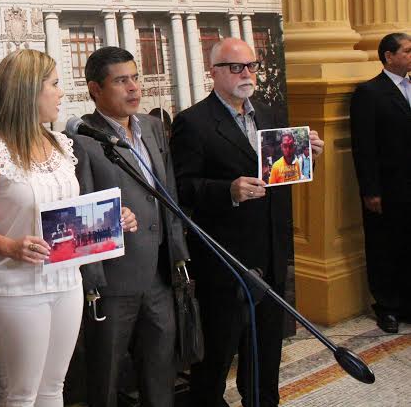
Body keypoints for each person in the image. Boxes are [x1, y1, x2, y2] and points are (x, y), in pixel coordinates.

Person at [0, 49, 134, 407]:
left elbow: (71, 212)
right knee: (21, 393)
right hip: (17, 288)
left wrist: (114, 217)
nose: (61, 93)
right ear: (27, 92)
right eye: (54, 84)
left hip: (67, 282)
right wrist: (10, 246)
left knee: (54, 388)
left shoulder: (61, 145)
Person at [170, 38, 324, 407]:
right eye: (236, 67)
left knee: (266, 349)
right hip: (224, 258)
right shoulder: (193, 122)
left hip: (270, 251)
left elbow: (282, 174)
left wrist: (309, 158)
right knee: (219, 351)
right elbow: (180, 187)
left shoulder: (270, 113)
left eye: (252, 66)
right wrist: (229, 190)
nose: (247, 74)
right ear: (214, 72)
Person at [72, 46, 188, 407]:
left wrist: (179, 257)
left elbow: (167, 194)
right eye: (121, 81)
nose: (134, 88)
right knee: (104, 380)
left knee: (159, 374)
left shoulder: (153, 127)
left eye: (135, 78)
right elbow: (82, 214)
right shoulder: (83, 140)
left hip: (160, 276)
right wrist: (93, 285)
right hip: (113, 281)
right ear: (95, 89)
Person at [350, 32, 411, 334]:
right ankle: (387, 307)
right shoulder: (369, 93)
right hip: (387, 187)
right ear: (389, 56)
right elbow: (364, 147)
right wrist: (370, 189)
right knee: (384, 247)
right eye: (408, 51)